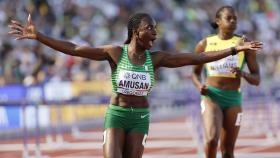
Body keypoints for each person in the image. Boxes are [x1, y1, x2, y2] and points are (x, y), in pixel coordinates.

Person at [9, 12, 262, 158]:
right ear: (135, 31)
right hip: (117, 115)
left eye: (156, 29)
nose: (155, 33)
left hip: (140, 117)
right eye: (150, 28)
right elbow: (74, 49)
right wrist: (38, 36)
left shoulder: (157, 58)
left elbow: (197, 58)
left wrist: (232, 49)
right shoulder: (114, 53)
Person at [191, 6, 261, 158]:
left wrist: (242, 73)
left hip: (233, 99)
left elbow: (257, 79)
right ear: (218, 21)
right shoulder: (205, 44)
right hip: (212, 96)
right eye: (228, 18)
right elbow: (194, 74)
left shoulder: (244, 44)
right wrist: (199, 86)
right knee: (211, 140)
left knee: (228, 151)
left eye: (235, 18)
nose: (233, 21)